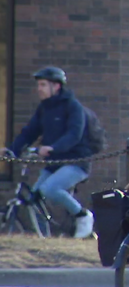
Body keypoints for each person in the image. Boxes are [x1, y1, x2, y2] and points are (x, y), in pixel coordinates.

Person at [1, 66, 95, 239]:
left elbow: (74, 135)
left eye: (43, 85)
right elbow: (29, 132)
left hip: (76, 163)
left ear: (56, 86)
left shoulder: (73, 107)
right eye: (39, 85)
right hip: (54, 164)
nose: (39, 89)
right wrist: (12, 150)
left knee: (50, 189)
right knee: (33, 197)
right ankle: (43, 235)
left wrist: (53, 148)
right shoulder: (44, 109)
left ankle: (83, 216)